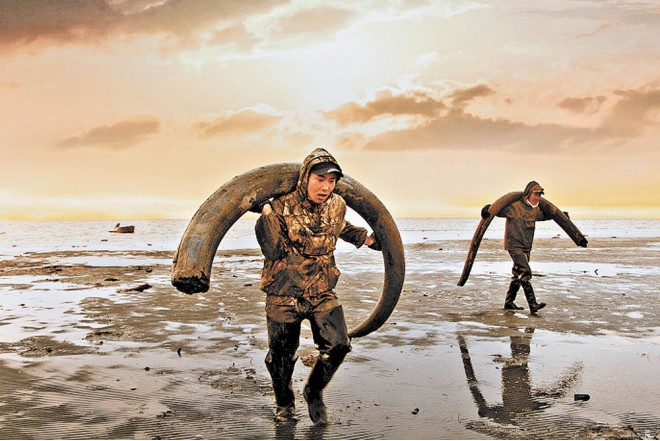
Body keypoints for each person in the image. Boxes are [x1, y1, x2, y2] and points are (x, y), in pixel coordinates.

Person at [253, 148, 380, 425]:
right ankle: (284, 404)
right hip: (283, 292)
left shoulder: (337, 204)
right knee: (281, 357)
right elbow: (272, 250)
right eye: (319, 179)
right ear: (305, 177)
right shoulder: (279, 206)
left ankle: (313, 391)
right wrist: (267, 216)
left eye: (331, 181)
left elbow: (340, 226)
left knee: (338, 345)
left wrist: (367, 240)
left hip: (322, 289)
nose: (325, 187)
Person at [481, 181, 550, 314]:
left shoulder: (535, 210)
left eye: (540, 195)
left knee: (517, 274)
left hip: (526, 246)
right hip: (514, 245)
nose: (538, 198)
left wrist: (561, 216)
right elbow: (496, 211)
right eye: (536, 194)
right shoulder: (514, 207)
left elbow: (545, 216)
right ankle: (533, 304)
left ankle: (509, 302)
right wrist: (486, 209)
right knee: (526, 273)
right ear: (529, 194)